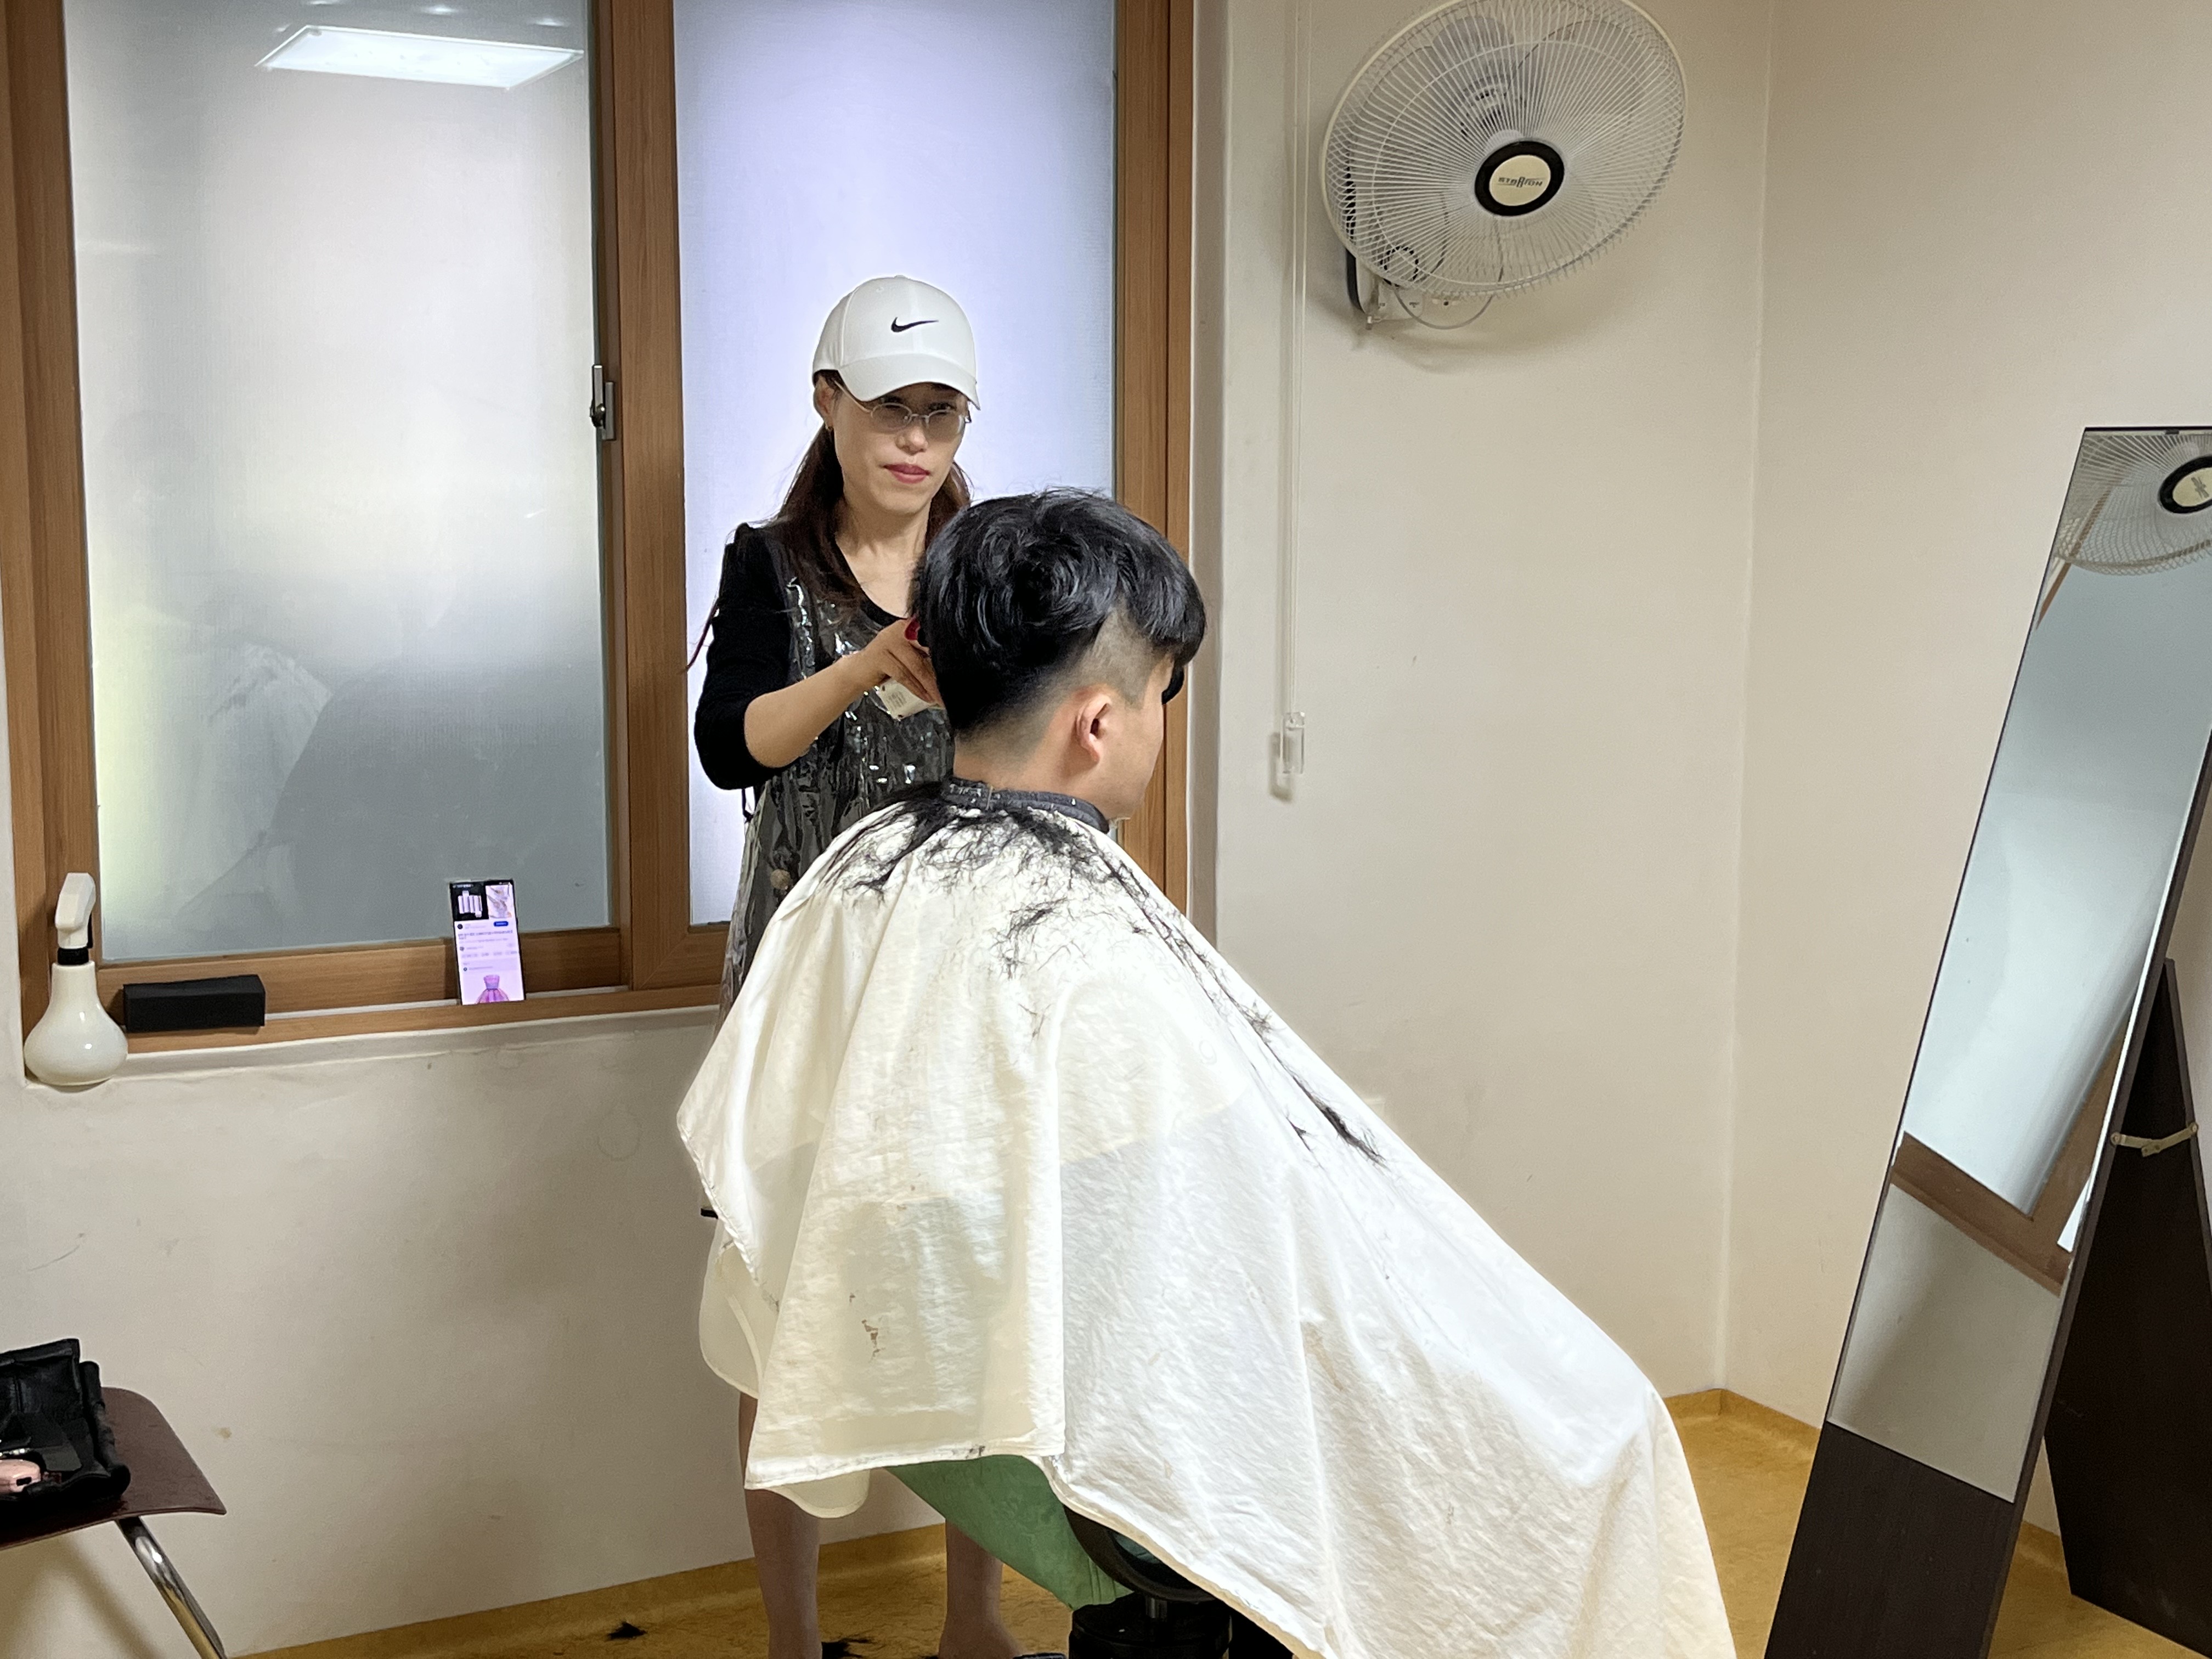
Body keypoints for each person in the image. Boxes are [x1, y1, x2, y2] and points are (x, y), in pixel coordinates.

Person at [681, 492, 1733, 1658]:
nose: (1158, 724)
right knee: (1605, 1430)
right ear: (1097, 723)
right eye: (1160, 695)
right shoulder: (1084, 958)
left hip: (1043, 1426)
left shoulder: (859, 878)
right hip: (1159, 1459)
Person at [691, 278, 1034, 1659]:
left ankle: (975, 1623)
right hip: (807, 992)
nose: (915, 441)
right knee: (777, 1314)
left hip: (955, 986)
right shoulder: (769, 565)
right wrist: (872, 665)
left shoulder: (989, 565)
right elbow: (734, 747)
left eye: (941, 415)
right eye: (891, 410)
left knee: (976, 1304)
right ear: (827, 401)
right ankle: (791, 1642)